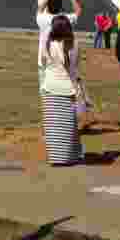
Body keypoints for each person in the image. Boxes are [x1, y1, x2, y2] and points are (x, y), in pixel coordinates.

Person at [40, 15, 84, 166]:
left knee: (53, 125)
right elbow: (75, 66)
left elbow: (44, 62)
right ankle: (69, 155)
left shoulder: (47, 43)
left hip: (50, 87)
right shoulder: (75, 44)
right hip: (68, 89)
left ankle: (56, 156)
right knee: (68, 125)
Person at [36, 0, 82, 88]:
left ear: (48, 5)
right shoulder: (66, 19)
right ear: (61, 6)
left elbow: (39, 9)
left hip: (45, 62)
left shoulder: (42, 19)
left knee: (48, 96)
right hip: (63, 63)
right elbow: (78, 11)